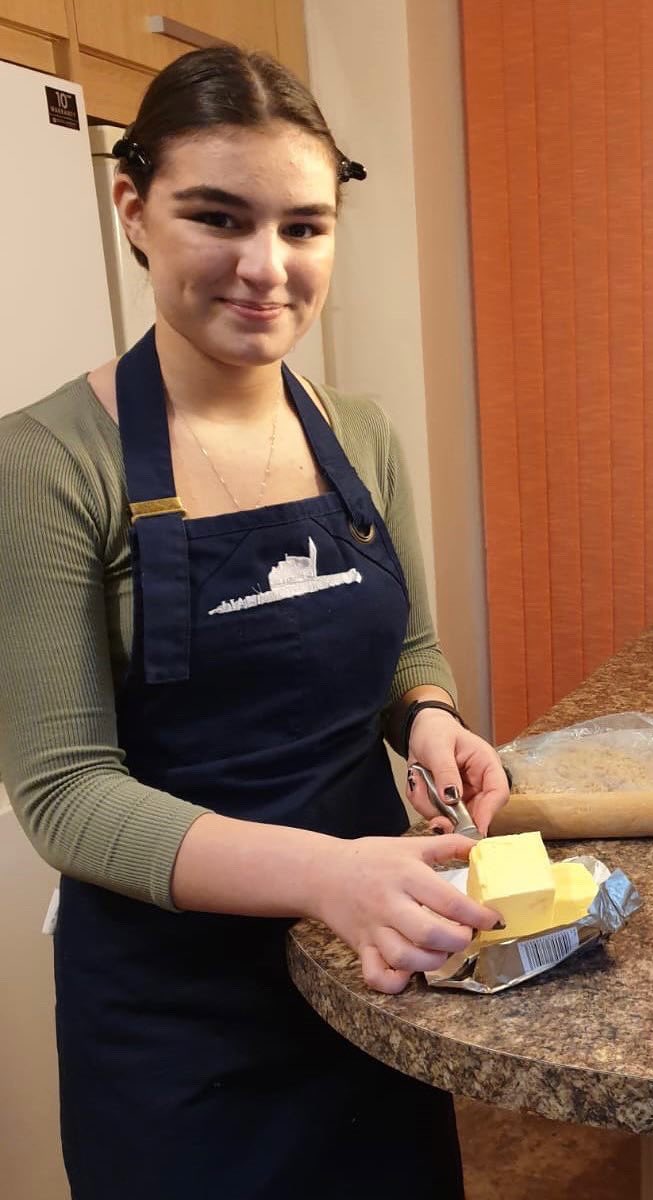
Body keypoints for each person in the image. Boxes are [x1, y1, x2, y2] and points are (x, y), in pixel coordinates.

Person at [0, 45, 508, 1200]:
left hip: (371, 968)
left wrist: (429, 720)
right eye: (217, 217)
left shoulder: (361, 433)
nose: (265, 268)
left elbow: (408, 645)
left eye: (304, 227)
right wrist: (327, 875)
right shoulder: (43, 466)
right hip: (179, 1024)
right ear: (134, 209)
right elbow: (65, 795)